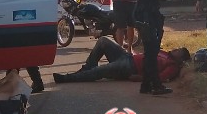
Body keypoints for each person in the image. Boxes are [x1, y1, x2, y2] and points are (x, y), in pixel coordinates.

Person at [131, 0, 174, 95]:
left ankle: (146, 85)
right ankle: (155, 85)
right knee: (151, 50)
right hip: (144, 15)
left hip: (155, 13)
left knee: (153, 50)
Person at [52, 36, 190, 84]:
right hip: (128, 57)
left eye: (179, 52)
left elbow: (158, 78)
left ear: (181, 60)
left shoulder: (172, 66)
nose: (176, 50)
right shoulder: (165, 53)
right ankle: (87, 67)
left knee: (99, 71)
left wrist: (140, 78)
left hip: (129, 67)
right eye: (178, 48)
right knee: (103, 41)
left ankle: (67, 78)